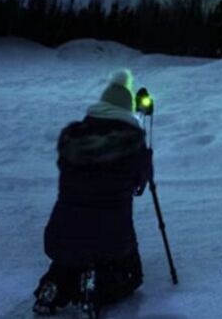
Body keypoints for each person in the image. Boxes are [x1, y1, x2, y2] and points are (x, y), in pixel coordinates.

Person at [33, 69, 153, 317]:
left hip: (61, 233)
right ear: (125, 109)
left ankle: (52, 285)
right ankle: (94, 288)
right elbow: (141, 183)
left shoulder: (72, 136)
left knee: (69, 258)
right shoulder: (132, 142)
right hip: (111, 237)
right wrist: (145, 156)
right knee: (130, 275)